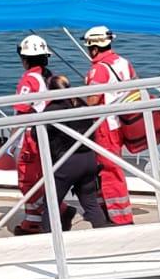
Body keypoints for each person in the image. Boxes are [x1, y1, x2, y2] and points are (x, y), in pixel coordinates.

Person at [40, 74, 113, 230]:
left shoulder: (52, 110)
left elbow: (36, 133)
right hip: (89, 159)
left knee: (51, 203)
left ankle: (48, 239)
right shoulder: (81, 104)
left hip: (67, 162)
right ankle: (104, 235)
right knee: (90, 202)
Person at [81, 25, 136, 226]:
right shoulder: (123, 62)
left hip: (105, 126)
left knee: (109, 170)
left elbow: (93, 100)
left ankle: (121, 218)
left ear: (94, 48)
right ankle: (107, 208)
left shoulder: (99, 69)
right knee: (110, 168)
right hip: (121, 122)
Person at [11, 34, 52, 235]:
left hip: (30, 136)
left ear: (24, 59)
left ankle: (49, 214)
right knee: (39, 178)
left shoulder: (30, 79)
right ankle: (34, 219)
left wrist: (11, 138)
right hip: (45, 134)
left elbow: (21, 108)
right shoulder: (49, 77)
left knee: (27, 179)